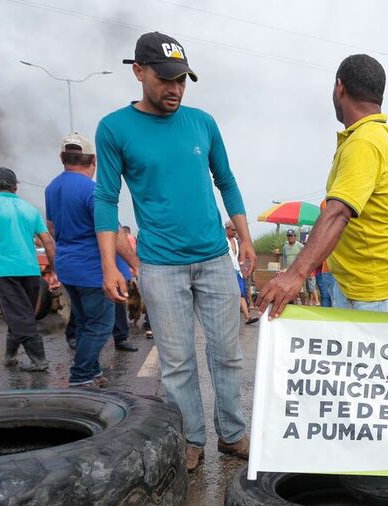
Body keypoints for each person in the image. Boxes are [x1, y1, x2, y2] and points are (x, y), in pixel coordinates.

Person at [94, 31, 256, 472]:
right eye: (166, 79)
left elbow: (227, 181)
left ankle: (233, 434)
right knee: (177, 363)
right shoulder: (114, 129)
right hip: (161, 265)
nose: (176, 89)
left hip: (214, 259)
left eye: (182, 79)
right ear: (139, 72)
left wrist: (244, 238)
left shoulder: (203, 122)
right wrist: (110, 263)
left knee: (227, 354)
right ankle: (190, 438)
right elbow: (106, 198)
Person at [258, 54, 388, 317]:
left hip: (373, 292)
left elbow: (338, 213)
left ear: (340, 87)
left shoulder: (364, 142)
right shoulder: (372, 136)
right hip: (358, 286)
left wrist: (294, 275)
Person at [47, 133, 138, 387]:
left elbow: (52, 226)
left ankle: (93, 370)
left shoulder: (52, 188)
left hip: (68, 267)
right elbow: (114, 233)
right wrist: (135, 263)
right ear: (93, 160)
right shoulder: (94, 190)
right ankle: (82, 375)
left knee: (86, 322)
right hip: (92, 270)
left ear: (62, 158)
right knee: (99, 326)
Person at [0, 167, 56, 371]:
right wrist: (54, 270)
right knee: (22, 314)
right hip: (30, 269)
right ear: (15, 186)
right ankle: (10, 356)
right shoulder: (30, 209)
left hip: (4, 270)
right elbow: (48, 242)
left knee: (19, 316)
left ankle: (39, 360)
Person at [227, 220, 258, 323]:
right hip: (227, 270)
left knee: (241, 294)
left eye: (236, 230)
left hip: (237, 270)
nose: (235, 232)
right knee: (232, 294)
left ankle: (247, 316)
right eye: (233, 230)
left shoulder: (236, 241)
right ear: (227, 229)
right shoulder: (223, 241)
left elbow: (239, 256)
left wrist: (242, 266)